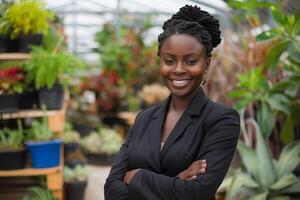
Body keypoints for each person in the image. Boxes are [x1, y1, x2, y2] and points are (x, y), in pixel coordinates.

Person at [104, 5, 240, 200]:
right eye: (169, 61)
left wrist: (137, 177)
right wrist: (177, 181)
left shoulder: (221, 120)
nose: (178, 69)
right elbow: (111, 190)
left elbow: (197, 192)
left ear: (206, 63)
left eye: (190, 61)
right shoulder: (144, 118)